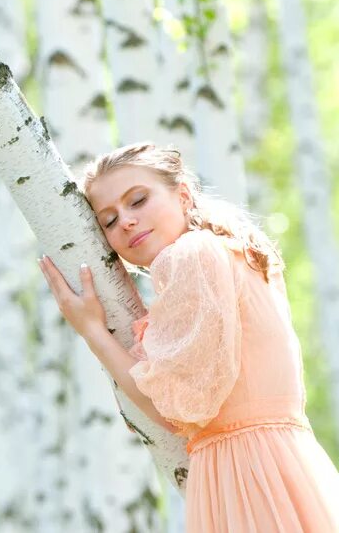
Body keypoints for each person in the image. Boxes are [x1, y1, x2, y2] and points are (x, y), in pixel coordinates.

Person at [37, 142, 339, 532]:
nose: (125, 221)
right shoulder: (233, 251)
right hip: (284, 464)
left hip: (247, 471)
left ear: (182, 195)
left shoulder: (191, 254)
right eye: (108, 221)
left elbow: (173, 410)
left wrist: (92, 329)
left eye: (138, 200)